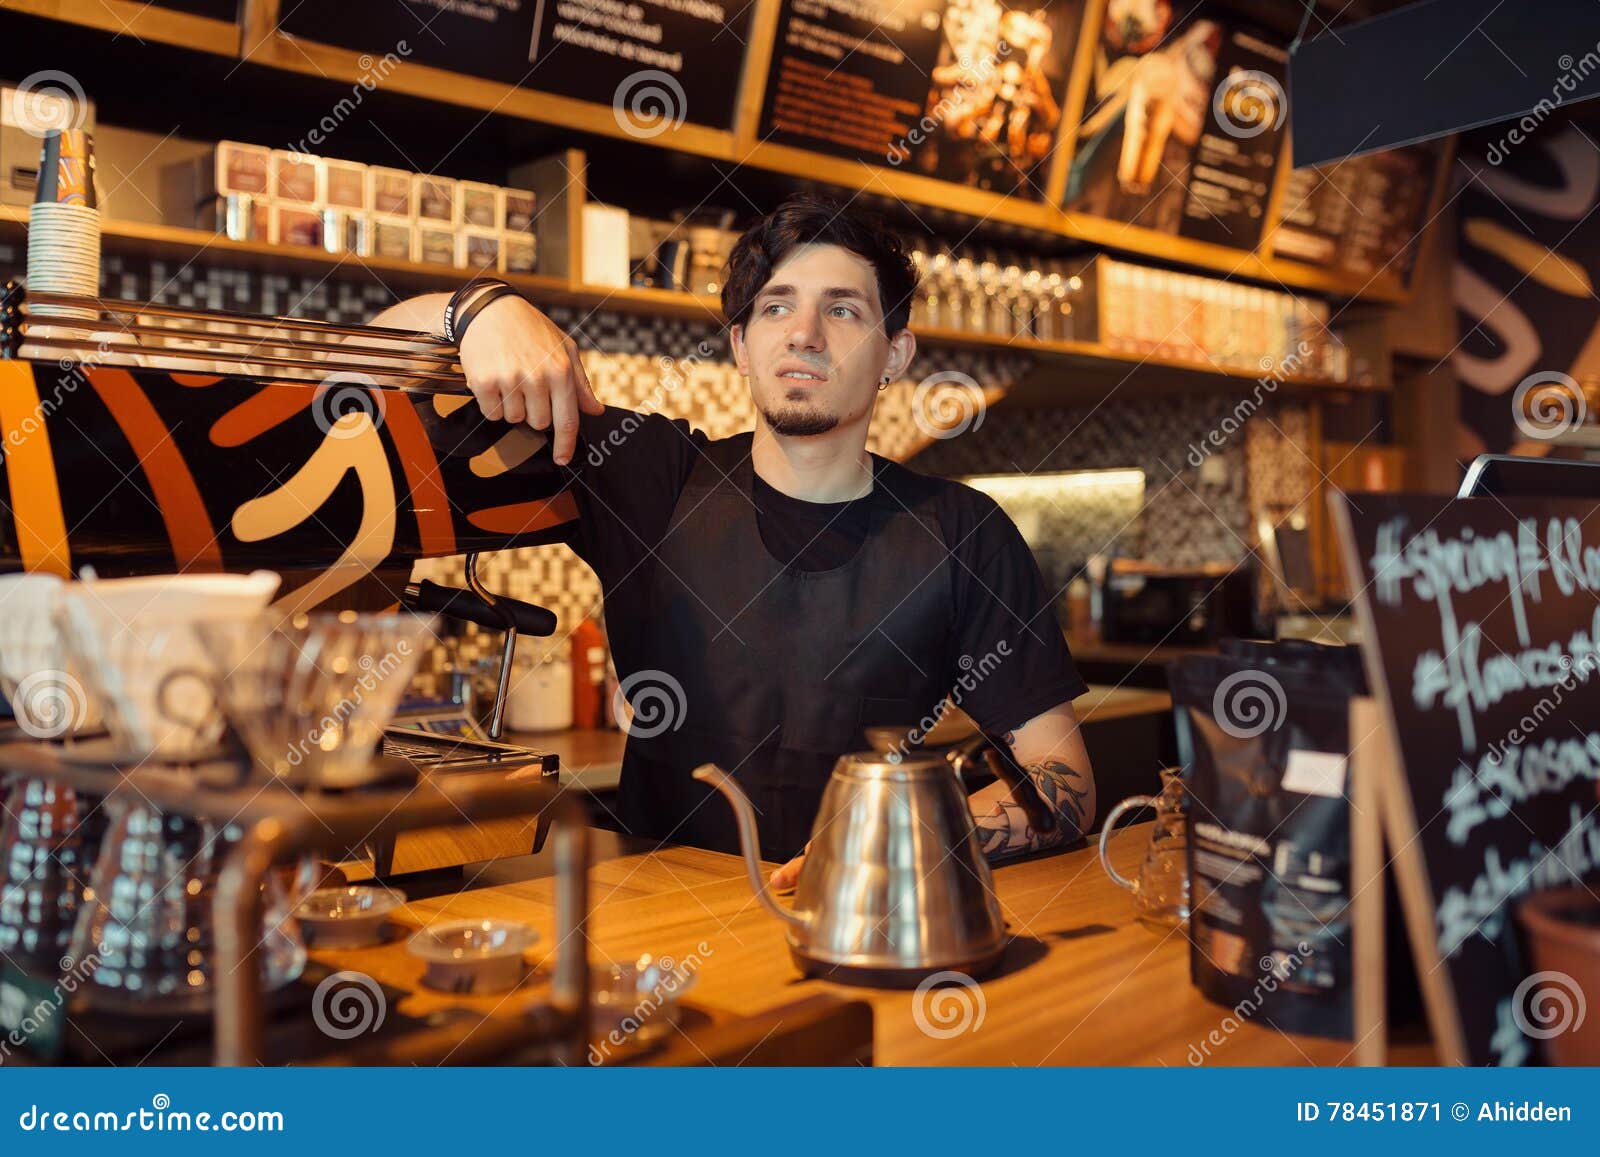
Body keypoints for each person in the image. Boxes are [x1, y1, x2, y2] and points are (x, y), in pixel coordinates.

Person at [372, 194, 1095, 888]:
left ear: (896, 356)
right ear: (743, 347)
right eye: (777, 306)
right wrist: (476, 311)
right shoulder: (652, 476)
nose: (804, 332)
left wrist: (886, 848)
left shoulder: (964, 533)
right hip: (658, 932)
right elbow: (347, 382)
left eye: (842, 310)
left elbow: (1063, 785)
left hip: (870, 924)